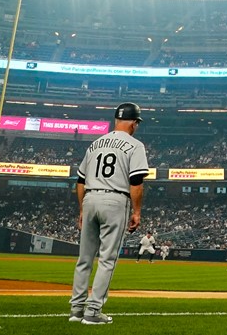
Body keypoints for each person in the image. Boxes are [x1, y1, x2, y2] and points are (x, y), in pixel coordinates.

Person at [69, 103, 150, 325]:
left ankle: (76, 309)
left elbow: (80, 181)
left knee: (84, 258)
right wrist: (137, 212)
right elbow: (136, 182)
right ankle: (93, 311)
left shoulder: (95, 144)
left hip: (90, 198)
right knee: (107, 260)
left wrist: (82, 209)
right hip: (115, 199)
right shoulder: (135, 145)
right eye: (137, 123)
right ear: (134, 122)